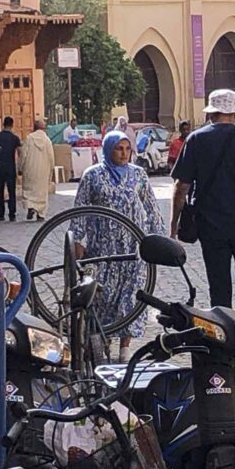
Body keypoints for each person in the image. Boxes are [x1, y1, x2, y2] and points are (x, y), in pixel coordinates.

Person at [170, 89, 235, 318]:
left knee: (219, 286)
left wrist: (173, 226)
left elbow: (181, 187)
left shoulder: (196, 139)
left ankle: (224, 338)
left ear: (211, 114)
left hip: (211, 225)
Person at [71, 131, 164, 363]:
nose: (123, 154)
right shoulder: (93, 175)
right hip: (103, 246)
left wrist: (158, 239)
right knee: (103, 296)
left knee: (131, 296)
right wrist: (78, 242)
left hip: (133, 247)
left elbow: (151, 208)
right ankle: (102, 342)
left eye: (126, 149)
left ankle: (125, 349)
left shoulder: (139, 175)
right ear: (108, 149)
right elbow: (80, 209)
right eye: (118, 149)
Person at [20, 118, 55, 221]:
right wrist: (51, 171)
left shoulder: (29, 139)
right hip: (44, 170)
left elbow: (23, 155)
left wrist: (20, 168)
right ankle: (41, 214)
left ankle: (31, 207)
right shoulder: (47, 140)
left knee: (29, 191)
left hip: (30, 169)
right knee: (42, 193)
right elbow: (51, 157)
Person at [0, 116, 21, 222]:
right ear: (12, 125)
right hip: (10, 166)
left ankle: (0, 214)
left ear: (3, 124)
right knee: (12, 191)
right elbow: (19, 153)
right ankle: (12, 214)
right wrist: (19, 167)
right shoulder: (15, 138)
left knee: (0, 190)